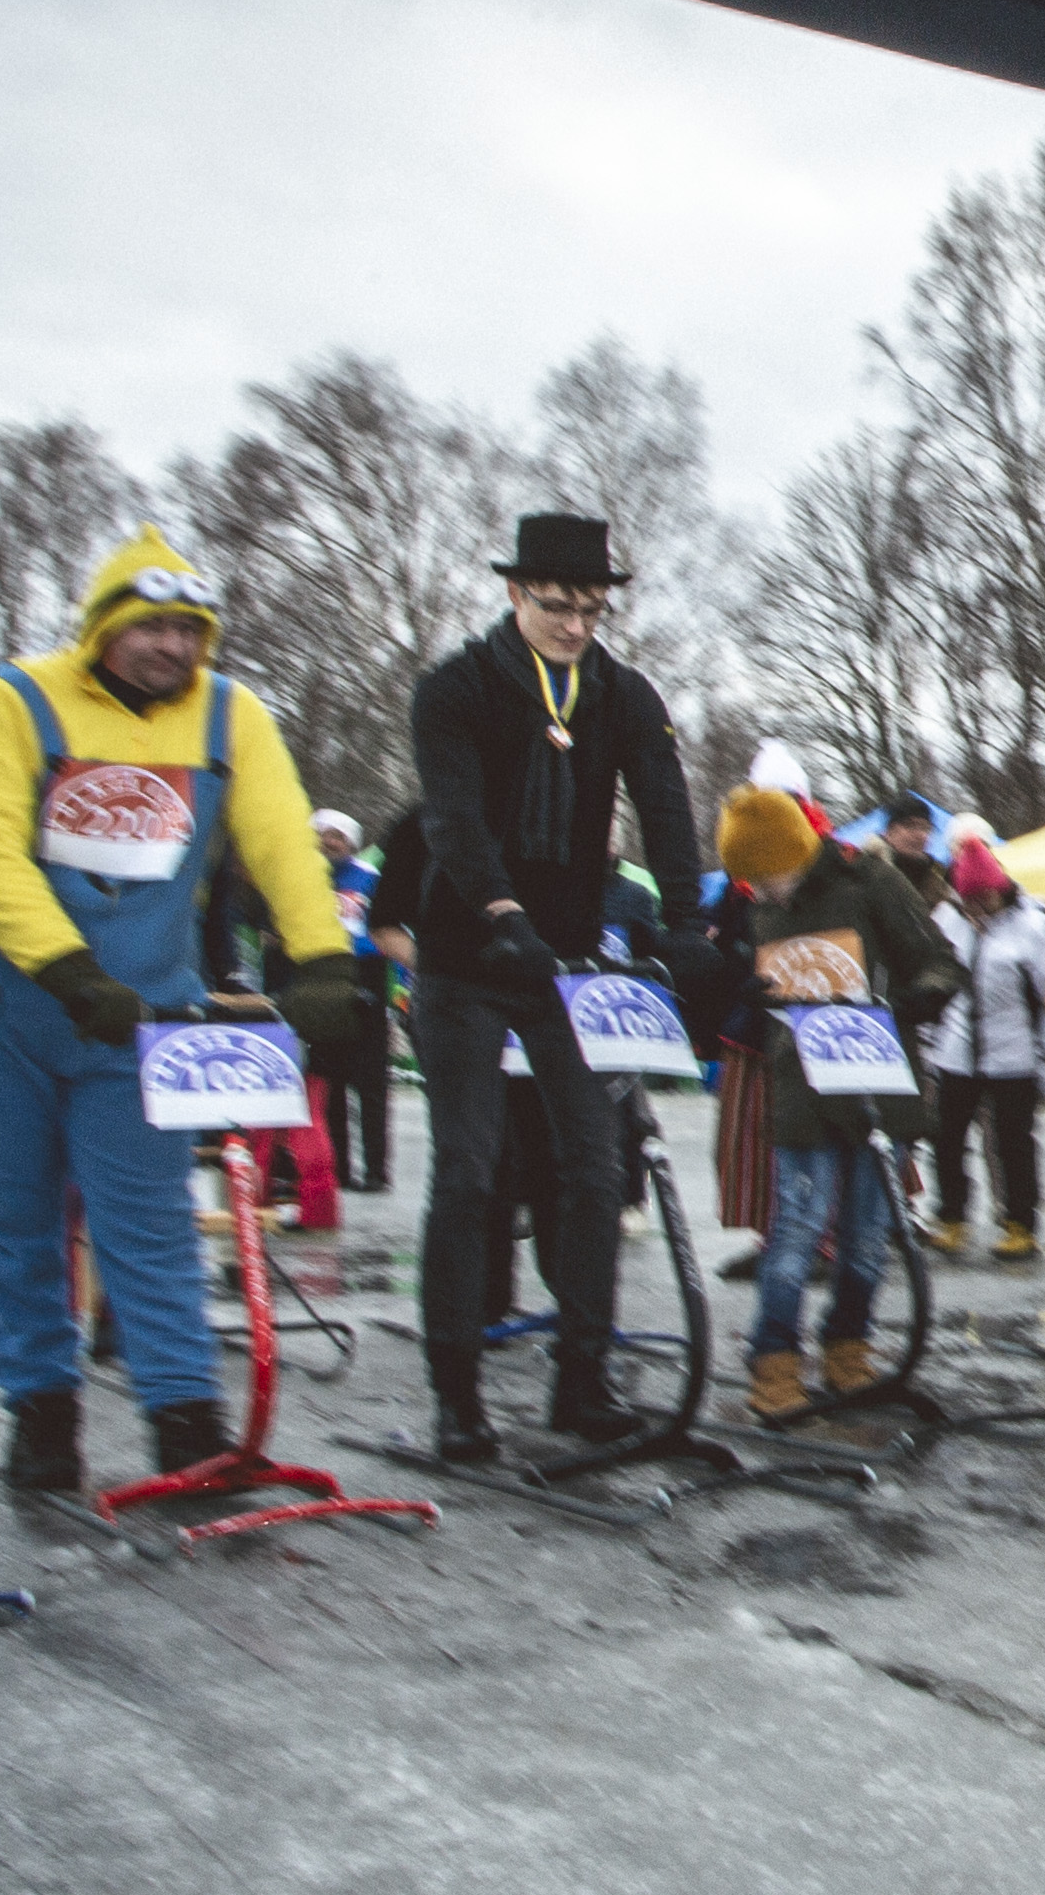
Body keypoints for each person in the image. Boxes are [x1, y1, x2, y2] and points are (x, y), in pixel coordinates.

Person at [0, 530, 371, 1495]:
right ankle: (40, 1408)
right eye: (150, 626)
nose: (172, 646)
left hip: (141, 1004)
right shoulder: (5, 702)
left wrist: (322, 957)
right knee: (10, 1212)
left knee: (150, 1213)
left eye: (190, 630)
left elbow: (282, 836)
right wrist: (67, 972)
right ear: (103, 629)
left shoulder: (228, 714)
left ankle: (183, 1415)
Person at [401, 515, 707, 1458]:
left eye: (591, 608)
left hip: (567, 959)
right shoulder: (459, 688)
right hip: (470, 951)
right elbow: (451, 818)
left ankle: (583, 1377)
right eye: (556, 606)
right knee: (469, 1171)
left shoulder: (622, 693)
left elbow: (663, 803)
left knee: (595, 1168)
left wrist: (690, 921)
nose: (575, 624)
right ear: (513, 595)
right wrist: (499, 912)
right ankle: (458, 1393)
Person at [712, 781, 958, 1416]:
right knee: (793, 1233)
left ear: (799, 851)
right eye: (751, 883)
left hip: (877, 1083)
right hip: (800, 1090)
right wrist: (747, 989)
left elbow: (936, 958)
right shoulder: (757, 901)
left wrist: (921, 996)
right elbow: (731, 976)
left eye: (769, 878)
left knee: (868, 1236)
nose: (761, 893)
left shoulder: (867, 880)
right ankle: (774, 1360)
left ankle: (848, 1349)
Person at [922, 835, 1045, 1260]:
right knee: (946, 1137)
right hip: (957, 1050)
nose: (977, 910)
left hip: (1014, 1052)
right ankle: (951, 1216)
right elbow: (937, 978)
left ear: (1000, 891)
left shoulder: (1033, 927)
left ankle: (1021, 1223)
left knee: (1013, 1142)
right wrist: (932, 1039)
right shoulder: (949, 921)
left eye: (984, 900)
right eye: (969, 902)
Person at [297, 804, 397, 1204]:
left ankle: (376, 1169)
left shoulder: (370, 878)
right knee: (328, 1078)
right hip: (322, 974)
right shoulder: (305, 878)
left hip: (366, 973)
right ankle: (336, 1166)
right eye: (324, 835)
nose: (330, 843)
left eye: (338, 837)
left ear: (351, 843)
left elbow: (387, 926)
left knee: (371, 1081)